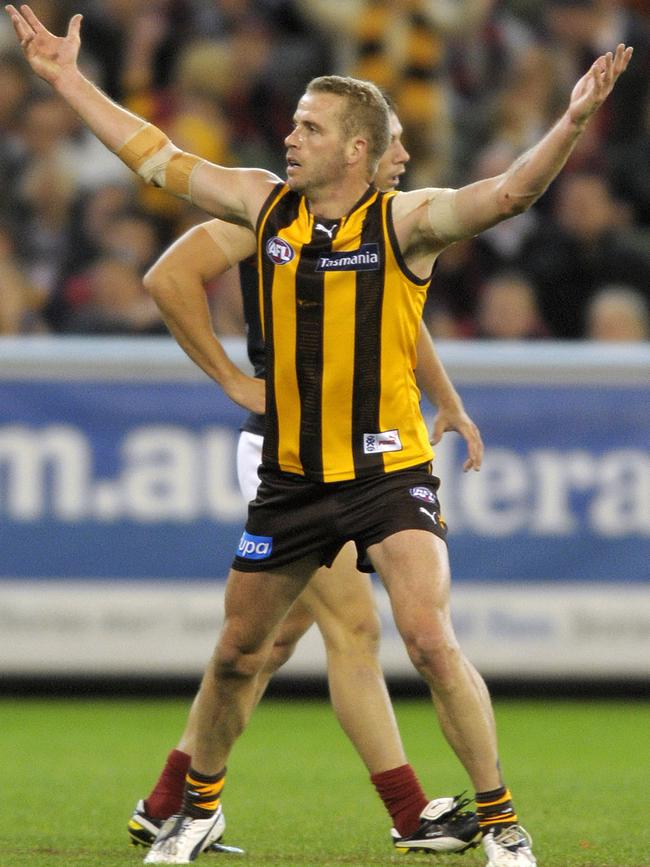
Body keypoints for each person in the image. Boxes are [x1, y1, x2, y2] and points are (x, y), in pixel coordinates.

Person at [6, 5, 632, 865]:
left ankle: (500, 820)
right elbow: (155, 157)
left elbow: (508, 195)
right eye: (295, 121)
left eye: (312, 126)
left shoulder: (405, 222)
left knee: (425, 636)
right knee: (237, 654)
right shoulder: (265, 205)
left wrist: (567, 123)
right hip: (293, 474)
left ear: (356, 153)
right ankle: (194, 805)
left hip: (386, 470)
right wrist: (68, 79)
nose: (292, 136)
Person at [129, 107, 485, 858]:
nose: (407, 153)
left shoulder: (372, 232)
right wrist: (231, 376)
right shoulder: (269, 213)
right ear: (364, 149)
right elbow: (169, 275)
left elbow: (392, 319)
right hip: (288, 456)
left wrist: (446, 399)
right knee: (350, 631)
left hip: (340, 458)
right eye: (396, 138)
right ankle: (411, 811)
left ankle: (168, 798)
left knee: (268, 642)